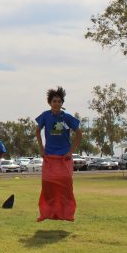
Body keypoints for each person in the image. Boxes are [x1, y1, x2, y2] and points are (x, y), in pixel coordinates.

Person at [34, 86, 82, 222]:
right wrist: (41, 148)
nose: (56, 103)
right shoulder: (45, 116)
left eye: (59, 101)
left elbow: (79, 134)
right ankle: (46, 213)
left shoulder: (67, 118)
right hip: (49, 156)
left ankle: (67, 214)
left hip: (64, 158)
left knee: (65, 185)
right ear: (49, 103)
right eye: (54, 101)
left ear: (62, 103)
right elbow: (37, 131)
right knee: (48, 184)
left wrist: (70, 151)